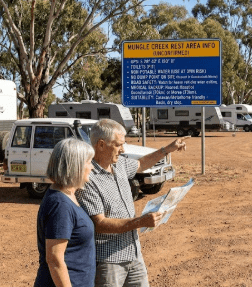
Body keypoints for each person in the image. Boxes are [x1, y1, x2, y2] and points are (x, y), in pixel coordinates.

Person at [76, 119, 189, 287]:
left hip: (134, 254)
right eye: (118, 145)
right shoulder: (88, 178)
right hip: (109, 261)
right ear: (101, 145)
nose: (123, 149)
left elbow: (141, 164)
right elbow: (99, 223)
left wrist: (167, 149)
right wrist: (140, 222)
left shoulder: (119, 164)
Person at [34, 138, 96, 287]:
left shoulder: (68, 195)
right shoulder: (60, 204)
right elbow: (55, 258)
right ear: (76, 166)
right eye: (89, 162)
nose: (92, 167)